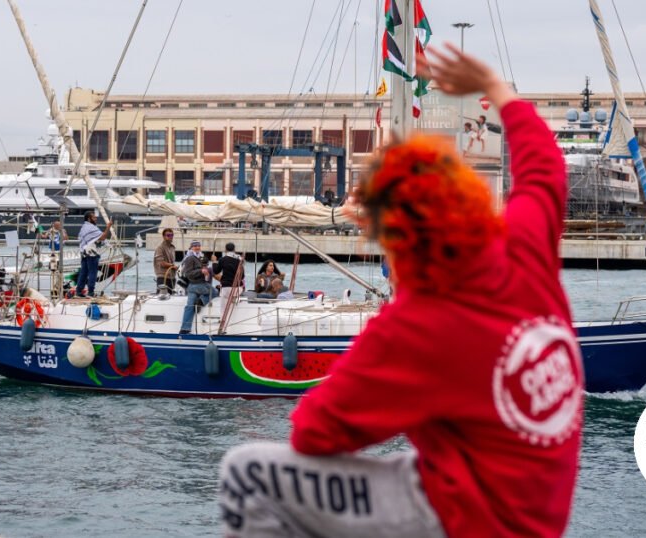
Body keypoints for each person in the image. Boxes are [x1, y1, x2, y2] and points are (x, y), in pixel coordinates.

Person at [218, 43, 584, 537]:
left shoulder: (418, 327)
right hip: (536, 512)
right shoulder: (525, 247)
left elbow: (314, 433)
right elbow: (544, 168)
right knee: (422, 461)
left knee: (246, 473)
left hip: (476, 521)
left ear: (392, 237)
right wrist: (496, 90)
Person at [75, 210, 112, 298]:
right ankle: (91, 292)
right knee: (92, 272)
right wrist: (108, 227)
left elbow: (85, 239)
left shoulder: (84, 227)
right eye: (94, 217)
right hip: (92, 253)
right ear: (89, 218)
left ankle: (79, 291)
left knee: (84, 272)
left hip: (84, 252)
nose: (96, 219)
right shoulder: (91, 227)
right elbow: (103, 237)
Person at [178, 240, 212, 334]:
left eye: (198, 245)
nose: (197, 247)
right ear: (191, 247)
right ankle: (201, 301)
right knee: (214, 292)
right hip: (194, 284)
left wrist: (206, 272)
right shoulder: (190, 258)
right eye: (195, 246)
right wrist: (201, 271)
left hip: (195, 285)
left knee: (190, 306)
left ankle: (185, 329)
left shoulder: (200, 256)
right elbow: (188, 273)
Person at [154, 228, 177, 294]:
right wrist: (172, 266)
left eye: (172, 235)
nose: (170, 237)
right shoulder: (160, 248)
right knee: (162, 296)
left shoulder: (172, 247)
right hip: (163, 277)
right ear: (164, 236)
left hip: (172, 277)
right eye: (168, 235)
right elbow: (161, 263)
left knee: (171, 296)